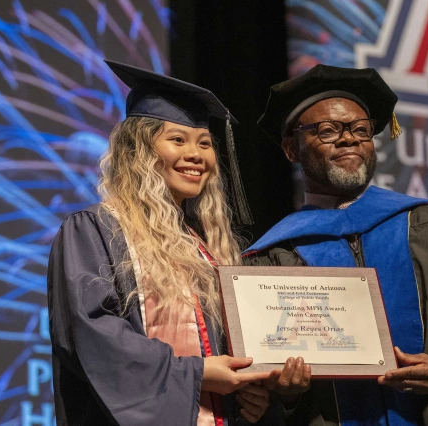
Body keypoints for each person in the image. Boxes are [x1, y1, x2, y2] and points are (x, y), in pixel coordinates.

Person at [243, 64, 428, 426]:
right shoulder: (270, 259)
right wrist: (285, 393)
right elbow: (252, 397)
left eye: (360, 130)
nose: (349, 139)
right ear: (291, 149)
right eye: (328, 130)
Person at [48, 60, 280, 425]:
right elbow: (90, 335)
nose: (195, 155)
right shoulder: (96, 230)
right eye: (177, 140)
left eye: (204, 143)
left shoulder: (207, 246)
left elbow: (223, 349)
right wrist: (196, 374)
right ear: (138, 150)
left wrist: (248, 391)